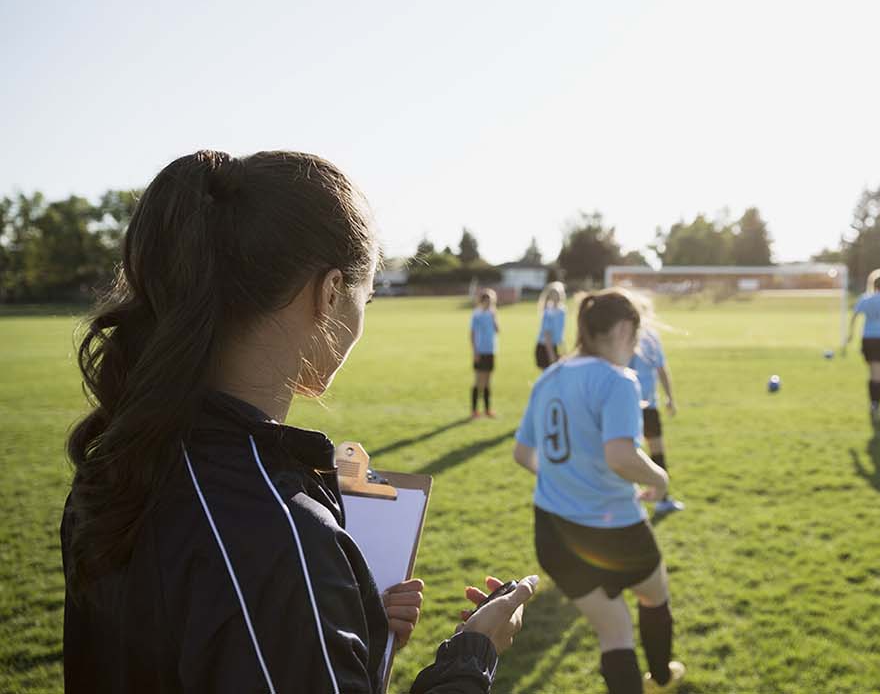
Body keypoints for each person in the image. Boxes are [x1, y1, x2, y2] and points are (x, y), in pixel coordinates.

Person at [61, 150, 536, 694]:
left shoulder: (120, 463)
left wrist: (344, 632)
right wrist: (472, 656)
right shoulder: (278, 532)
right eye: (367, 297)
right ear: (330, 292)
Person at [512, 289, 685, 694]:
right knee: (653, 596)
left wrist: (564, 477)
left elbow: (523, 454)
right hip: (615, 528)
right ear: (625, 329)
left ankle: (657, 675)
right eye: (637, 338)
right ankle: (661, 675)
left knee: (614, 631)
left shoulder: (549, 376)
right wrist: (659, 480)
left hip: (552, 532)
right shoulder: (617, 380)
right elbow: (621, 457)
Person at [629, 296, 683, 515]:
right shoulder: (629, 338)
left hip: (646, 404)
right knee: (639, 453)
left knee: (653, 452)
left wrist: (669, 397)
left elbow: (661, 368)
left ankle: (660, 498)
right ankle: (637, 499)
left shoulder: (650, 336)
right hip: (633, 404)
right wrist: (670, 397)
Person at [844, 268, 880, 421]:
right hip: (879, 340)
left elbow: (854, 316)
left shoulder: (865, 298)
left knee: (872, 374)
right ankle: (877, 407)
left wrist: (850, 334)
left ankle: (873, 405)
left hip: (866, 340)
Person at [470, 289, 500, 418]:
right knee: (478, 381)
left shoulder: (492, 314)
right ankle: (474, 410)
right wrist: (475, 352)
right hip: (480, 351)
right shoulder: (476, 314)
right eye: (486, 301)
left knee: (488, 381)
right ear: (481, 301)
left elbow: (497, 330)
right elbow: (472, 334)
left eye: (490, 301)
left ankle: (487, 410)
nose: (488, 303)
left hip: (490, 351)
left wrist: (494, 318)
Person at [536, 281, 567, 370]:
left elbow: (561, 333)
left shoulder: (562, 312)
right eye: (554, 294)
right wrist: (552, 355)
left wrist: (563, 349)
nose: (556, 296)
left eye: (558, 294)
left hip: (556, 346)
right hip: (545, 347)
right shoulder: (548, 313)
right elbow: (547, 335)